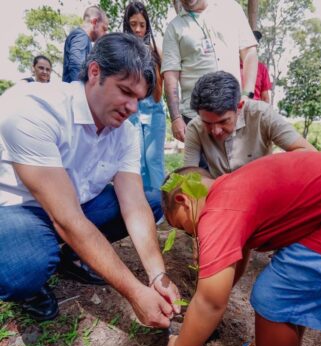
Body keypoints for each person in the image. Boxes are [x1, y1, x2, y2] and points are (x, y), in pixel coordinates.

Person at [0, 33, 180, 324]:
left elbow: (133, 204)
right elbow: (67, 219)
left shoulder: (125, 132)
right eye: (125, 91)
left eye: (138, 98)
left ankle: (72, 257)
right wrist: (135, 292)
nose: (132, 108)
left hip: (75, 205)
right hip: (19, 208)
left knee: (150, 201)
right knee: (26, 266)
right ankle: (30, 287)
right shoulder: (33, 108)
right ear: (95, 72)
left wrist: (157, 275)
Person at [162, 151, 321, 346]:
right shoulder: (234, 187)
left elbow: (210, 302)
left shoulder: (219, 210)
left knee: (276, 296)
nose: (191, 233)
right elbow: (235, 261)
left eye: (182, 226)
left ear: (183, 200)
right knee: (295, 289)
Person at [184, 71, 315, 178]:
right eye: (207, 123)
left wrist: (269, 170)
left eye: (223, 121)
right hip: (221, 195)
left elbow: (310, 154)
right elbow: (189, 177)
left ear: (239, 107)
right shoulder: (194, 128)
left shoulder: (262, 114)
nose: (215, 131)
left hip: (263, 189)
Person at [161, 0, 258, 142]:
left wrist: (247, 95)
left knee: (242, 163)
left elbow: (249, 52)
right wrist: (175, 118)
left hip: (234, 111)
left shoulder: (231, 9)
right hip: (197, 118)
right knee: (200, 164)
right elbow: (170, 76)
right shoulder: (174, 28)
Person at [123, 1, 166, 221]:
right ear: (127, 25)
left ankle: (160, 210)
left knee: (154, 160)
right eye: (133, 25)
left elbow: (165, 79)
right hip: (131, 113)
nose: (138, 30)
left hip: (155, 110)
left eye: (142, 24)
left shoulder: (155, 49)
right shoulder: (123, 49)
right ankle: (139, 207)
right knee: (136, 159)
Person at [62, 5, 108, 83]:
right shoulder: (81, 36)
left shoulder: (82, 37)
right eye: (104, 28)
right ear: (94, 22)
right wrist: (81, 90)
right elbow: (76, 64)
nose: (105, 34)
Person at [241, 30, 272, 103]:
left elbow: (265, 98)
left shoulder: (261, 68)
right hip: (234, 109)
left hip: (254, 110)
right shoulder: (232, 64)